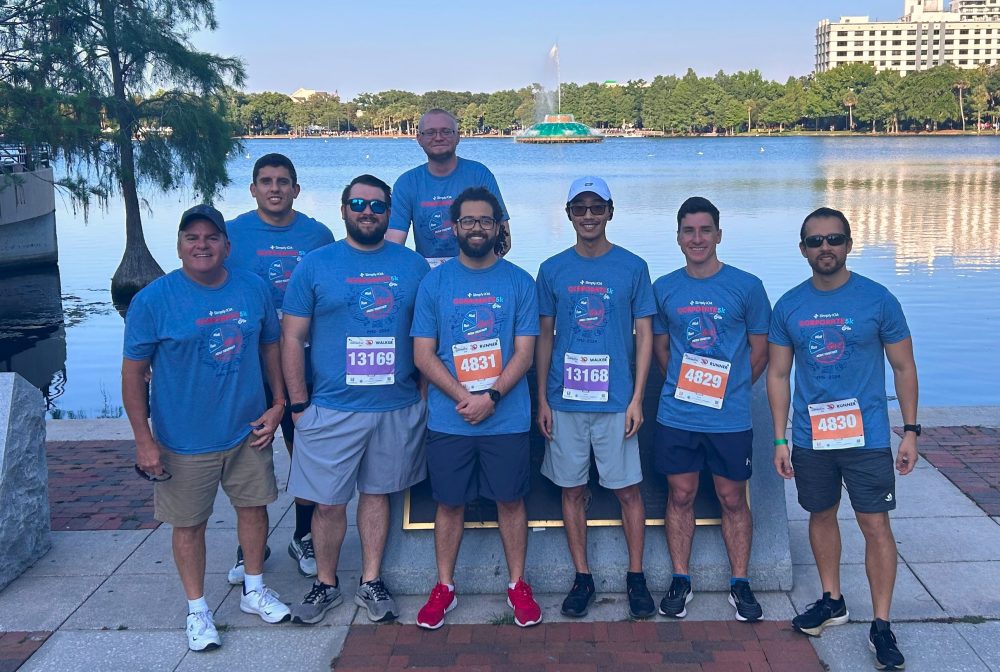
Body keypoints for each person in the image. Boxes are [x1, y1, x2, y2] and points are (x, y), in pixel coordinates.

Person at [122, 204, 291, 652]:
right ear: (179, 245)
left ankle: (254, 589)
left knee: (254, 510)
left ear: (226, 246)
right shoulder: (153, 301)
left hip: (247, 430)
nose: (202, 245)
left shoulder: (253, 289)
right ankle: (198, 610)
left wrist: (278, 404)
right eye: (192, 238)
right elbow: (133, 374)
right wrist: (144, 440)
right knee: (189, 524)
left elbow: (271, 348)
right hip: (183, 440)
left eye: (211, 237)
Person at [768, 207, 918, 671]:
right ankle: (832, 600)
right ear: (802, 250)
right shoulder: (789, 305)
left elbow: (904, 367)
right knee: (820, 514)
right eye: (815, 241)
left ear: (849, 244)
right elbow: (777, 373)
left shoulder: (877, 300)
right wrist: (779, 440)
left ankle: (881, 623)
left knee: (875, 525)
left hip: (867, 435)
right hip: (813, 437)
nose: (825, 248)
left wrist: (910, 430)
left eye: (834, 239)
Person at [281, 175, 430, 625]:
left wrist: (420, 397)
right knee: (327, 503)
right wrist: (299, 404)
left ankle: (370, 580)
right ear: (344, 209)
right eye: (359, 203)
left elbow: (428, 334)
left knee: (378, 495)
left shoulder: (413, 265)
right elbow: (292, 336)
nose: (368, 211)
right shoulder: (315, 264)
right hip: (330, 408)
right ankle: (325, 583)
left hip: (395, 408)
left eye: (377, 206)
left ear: (389, 214)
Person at [410, 186, 540, 629]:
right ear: (454, 227)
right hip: (451, 418)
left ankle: (518, 584)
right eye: (469, 221)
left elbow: (524, 352)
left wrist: (493, 397)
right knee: (448, 504)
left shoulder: (519, 282)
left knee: (510, 501)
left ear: (499, 226)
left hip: (506, 418)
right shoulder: (436, 282)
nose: (477, 228)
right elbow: (423, 354)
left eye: (486, 220)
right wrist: (464, 398)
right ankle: (444, 587)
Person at [535, 177, 657, 619]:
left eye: (596, 207)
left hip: (616, 402)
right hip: (565, 402)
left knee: (628, 491)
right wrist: (542, 399)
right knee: (572, 490)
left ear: (610, 211)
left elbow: (644, 334)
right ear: (568, 213)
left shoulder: (633, 267)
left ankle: (637, 576)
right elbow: (544, 336)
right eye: (580, 207)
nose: (588, 215)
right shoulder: (551, 269)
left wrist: (638, 396)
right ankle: (582, 576)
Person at [652, 196, 771, 623]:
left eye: (705, 230)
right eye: (689, 231)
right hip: (678, 415)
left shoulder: (747, 286)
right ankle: (680, 578)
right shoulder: (664, 287)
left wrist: (728, 390)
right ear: (679, 237)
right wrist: (690, 388)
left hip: (730, 418)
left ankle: (740, 582)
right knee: (680, 495)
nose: (697, 238)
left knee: (732, 498)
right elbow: (663, 350)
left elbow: (761, 352)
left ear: (719, 235)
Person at [226, 153, 334, 581]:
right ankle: (247, 545)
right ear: (253, 188)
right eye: (266, 181)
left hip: (305, 365)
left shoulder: (317, 235)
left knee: (305, 453)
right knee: (246, 457)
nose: (275, 188)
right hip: (247, 365)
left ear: (296, 189)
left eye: (283, 181)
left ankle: (303, 535)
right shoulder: (232, 234)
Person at [386, 108, 511, 266]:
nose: (438, 138)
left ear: (458, 137)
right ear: (419, 139)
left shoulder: (479, 174)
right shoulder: (407, 183)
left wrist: (478, 270)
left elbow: (504, 239)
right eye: (430, 132)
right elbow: (394, 244)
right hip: (429, 272)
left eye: (446, 131)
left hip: (477, 267)